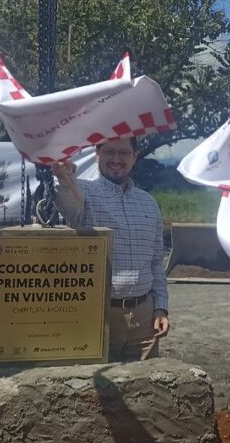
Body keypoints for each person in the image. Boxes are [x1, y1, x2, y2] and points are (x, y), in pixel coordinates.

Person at [53, 137, 170, 361]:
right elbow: (70, 210)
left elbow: (156, 262)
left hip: (145, 318)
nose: (116, 159)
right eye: (109, 152)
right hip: (99, 315)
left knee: (147, 389)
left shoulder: (148, 202)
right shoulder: (83, 191)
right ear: (97, 154)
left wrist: (161, 308)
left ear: (134, 156)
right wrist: (64, 178)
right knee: (98, 393)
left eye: (124, 153)